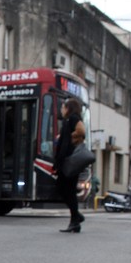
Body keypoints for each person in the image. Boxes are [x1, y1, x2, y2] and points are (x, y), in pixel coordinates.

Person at [53, 98, 86, 233]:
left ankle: (75, 220)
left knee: (67, 190)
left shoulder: (73, 118)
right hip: (66, 161)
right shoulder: (68, 121)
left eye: (63, 107)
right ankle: (76, 217)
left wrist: (69, 138)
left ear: (68, 108)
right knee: (63, 189)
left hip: (70, 161)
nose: (61, 109)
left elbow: (81, 132)